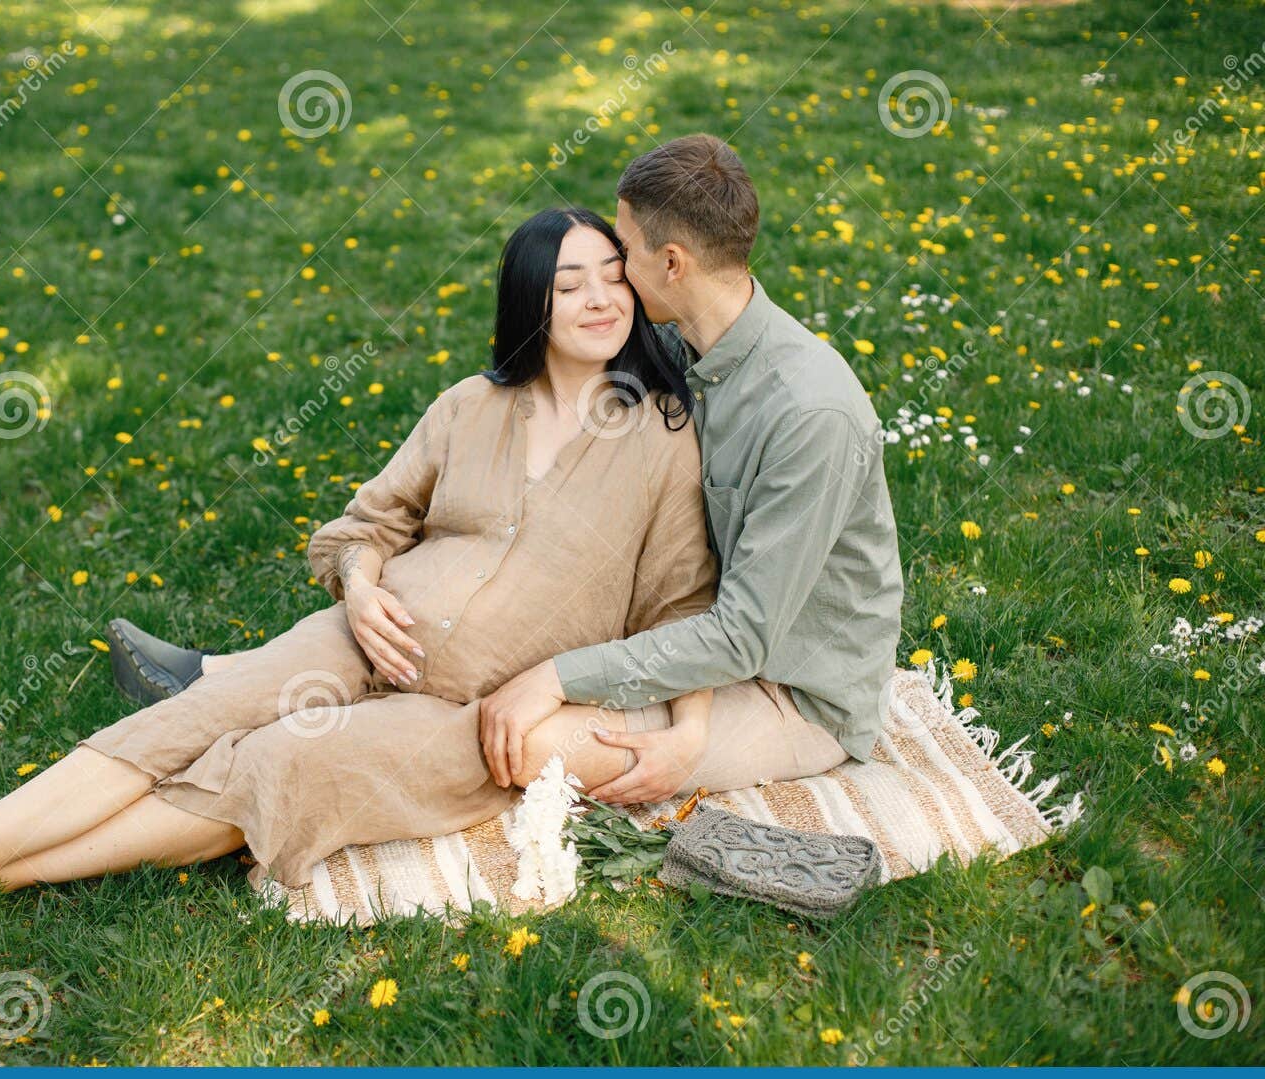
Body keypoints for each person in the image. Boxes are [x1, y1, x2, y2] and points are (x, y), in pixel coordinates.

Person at [0, 206, 720, 975]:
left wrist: (684, 731)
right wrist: (359, 592)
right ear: (530, 299)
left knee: (281, 765)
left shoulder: (663, 439)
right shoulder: (467, 407)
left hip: (468, 705)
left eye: (612, 274)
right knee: (195, 714)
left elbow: (684, 610)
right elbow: (367, 526)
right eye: (569, 283)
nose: (601, 297)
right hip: (363, 636)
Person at [119, 134, 904, 811]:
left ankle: (269, 743)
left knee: (516, 738)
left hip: (786, 688)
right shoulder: (680, 346)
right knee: (486, 681)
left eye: (622, 252)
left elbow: (739, 634)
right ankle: (230, 689)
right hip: (695, 642)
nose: (611, 275)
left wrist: (573, 684)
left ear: (671, 262)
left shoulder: (810, 412)